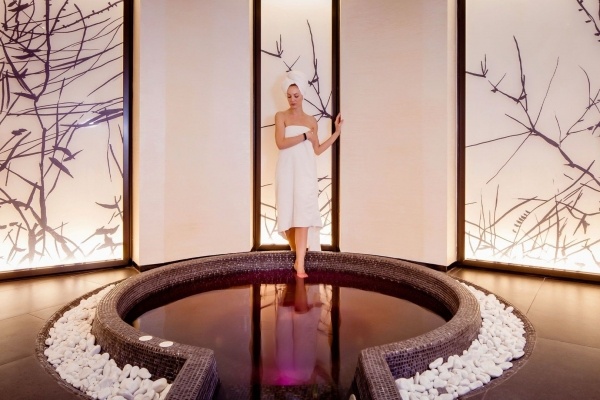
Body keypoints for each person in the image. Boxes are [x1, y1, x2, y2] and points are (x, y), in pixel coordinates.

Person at [274, 70, 343, 278]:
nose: (292, 99)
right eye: (289, 96)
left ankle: (301, 264)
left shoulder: (311, 121)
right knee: (288, 216)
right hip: (286, 172)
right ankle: (297, 256)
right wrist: (305, 136)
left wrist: (337, 133)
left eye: (296, 95)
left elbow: (318, 149)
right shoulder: (281, 116)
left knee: (303, 215)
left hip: (305, 173)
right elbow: (280, 143)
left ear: (302, 95)